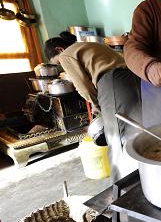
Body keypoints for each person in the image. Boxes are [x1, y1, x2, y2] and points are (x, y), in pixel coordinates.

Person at [44, 32, 142, 183]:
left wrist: (95, 104)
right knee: (136, 131)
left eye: (57, 63)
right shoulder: (89, 45)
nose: (60, 65)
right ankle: (143, 177)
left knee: (116, 138)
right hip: (131, 80)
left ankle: (121, 189)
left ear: (59, 50)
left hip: (113, 83)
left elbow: (82, 86)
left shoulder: (66, 55)